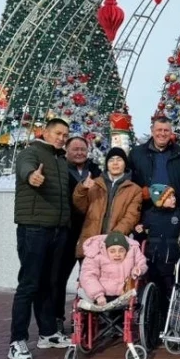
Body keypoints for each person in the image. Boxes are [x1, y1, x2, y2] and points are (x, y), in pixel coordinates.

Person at [9, 118, 73, 359]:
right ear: (45, 132)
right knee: (29, 284)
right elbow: (25, 169)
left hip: (57, 230)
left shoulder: (60, 159)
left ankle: (47, 334)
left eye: (65, 134)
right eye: (58, 133)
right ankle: (17, 341)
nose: (61, 138)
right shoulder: (31, 152)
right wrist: (31, 177)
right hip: (34, 229)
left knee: (49, 283)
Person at [52, 136, 101, 330]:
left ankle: (85, 317)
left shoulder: (95, 171)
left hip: (89, 231)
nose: (79, 152)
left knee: (89, 276)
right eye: (75, 149)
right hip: (66, 230)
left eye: (83, 149)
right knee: (58, 276)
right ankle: (56, 317)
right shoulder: (59, 169)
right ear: (66, 150)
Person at [72, 148, 142, 256]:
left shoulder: (134, 189)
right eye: (111, 160)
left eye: (119, 159)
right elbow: (80, 207)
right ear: (106, 164)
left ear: (125, 163)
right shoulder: (94, 184)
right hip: (90, 243)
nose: (115, 163)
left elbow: (131, 217)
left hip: (115, 247)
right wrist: (82, 189)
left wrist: (113, 237)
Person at [129, 116, 180, 217]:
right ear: (152, 131)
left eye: (166, 130)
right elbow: (129, 183)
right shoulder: (136, 154)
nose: (162, 133)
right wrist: (140, 192)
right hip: (145, 212)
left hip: (176, 213)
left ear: (171, 133)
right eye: (159, 130)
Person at [135, 184, 180, 313]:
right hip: (152, 258)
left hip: (171, 257)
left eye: (173, 196)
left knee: (169, 288)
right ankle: (153, 317)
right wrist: (139, 229)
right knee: (154, 287)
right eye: (169, 197)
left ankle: (169, 316)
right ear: (159, 200)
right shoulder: (150, 215)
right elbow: (141, 231)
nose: (173, 199)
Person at [79, 231, 147, 306]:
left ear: (126, 251)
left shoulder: (132, 253)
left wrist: (138, 269)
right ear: (105, 250)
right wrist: (98, 295)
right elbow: (88, 277)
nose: (117, 254)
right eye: (112, 251)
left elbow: (141, 262)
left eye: (121, 251)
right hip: (102, 296)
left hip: (125, 295)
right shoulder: (96, 256)